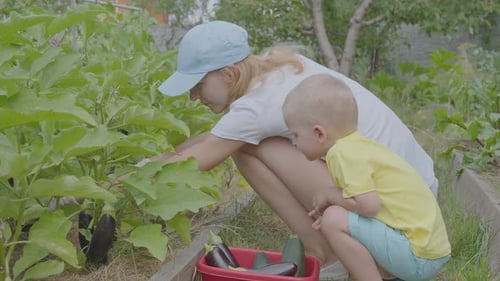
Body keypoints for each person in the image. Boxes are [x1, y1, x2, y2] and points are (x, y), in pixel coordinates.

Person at [142, 20, 439, 280]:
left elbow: (201, 157)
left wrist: (129, 180)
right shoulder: (278, 68)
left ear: (229, 74)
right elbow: (215, 137)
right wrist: (153, 161)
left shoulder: (255, 108)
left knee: (244, 147)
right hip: (415, 201)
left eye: (198, 85)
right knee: (245, 142)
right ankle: (328, 246)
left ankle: (329, 252)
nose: (194, 97)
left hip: (395, 230)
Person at [282, 73, 451, 281]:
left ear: (319, 133)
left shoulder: (342, 154)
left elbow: (369, 206)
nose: (293, 143)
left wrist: (331, 196)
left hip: (418, 255)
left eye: (295, 135)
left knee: (334, 219)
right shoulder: (359, 146)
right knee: (338, 219)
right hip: (429, 251)